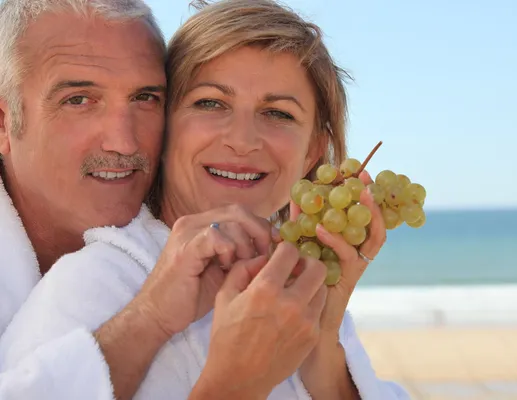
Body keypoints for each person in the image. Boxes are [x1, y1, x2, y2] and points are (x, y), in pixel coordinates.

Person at [1, 0, 411, 399]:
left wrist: (324, 350)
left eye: (278, 113)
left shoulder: (295, 281)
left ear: (313, 152)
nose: (242, 140)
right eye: (210, 103)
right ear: (168, 129)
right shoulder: (92, 283)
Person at [0, 1, 251, 399]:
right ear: (4, 122)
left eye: (145, 98)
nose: (124, 142)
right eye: (79, 100)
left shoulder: (190, 249)